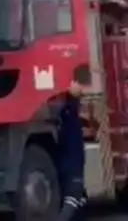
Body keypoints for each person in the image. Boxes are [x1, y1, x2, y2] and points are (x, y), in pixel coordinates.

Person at [58, 81, 86, 221]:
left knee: (78, 198)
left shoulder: (65, 118)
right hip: (72, 164)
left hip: (68, 163)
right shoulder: (71, 119)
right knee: (74, 197)